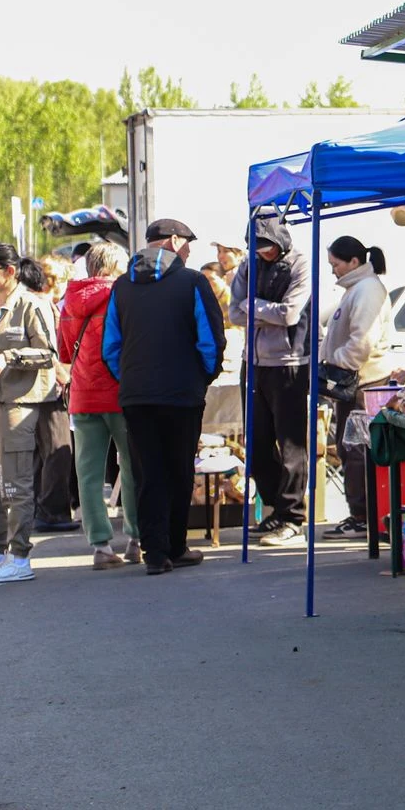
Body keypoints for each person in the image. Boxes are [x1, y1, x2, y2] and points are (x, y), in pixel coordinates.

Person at [103, 219, 225, 575]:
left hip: (137, 395)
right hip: (182, 393)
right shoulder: (193, 282)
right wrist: (202, 377)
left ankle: (155, 552)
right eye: (187, 243)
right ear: (173, 241)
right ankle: (175, 546)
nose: (188, 251)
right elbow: (211, 339)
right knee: (178, 470)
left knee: (147, 473)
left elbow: (110, 346)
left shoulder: (122, 286)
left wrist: (131, 379)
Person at [230, 214, 312, 547]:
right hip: (253, 363)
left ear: (281, 241)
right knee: (256, 444)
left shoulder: (300, 264)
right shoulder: (248, 266)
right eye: (258, 247)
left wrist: (253, 306)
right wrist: (266, 311)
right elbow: (233, 313)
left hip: (289, 364)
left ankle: (293, 517)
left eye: (268, 247)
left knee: (291, 445)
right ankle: (278, 510)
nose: (263, 253)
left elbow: (290, 313)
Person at [60, 242, 142, 568]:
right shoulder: (124, 295)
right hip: (120, 391)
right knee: (132, 466)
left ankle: (101, 547)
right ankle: (136, 538)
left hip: (83, 394)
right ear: (113, 268)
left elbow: (64, 351)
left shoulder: (71, 299)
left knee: (88, 473)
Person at [0, 244, 60, 583]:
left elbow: (48, 354)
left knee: (15, 483)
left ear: (9, 271)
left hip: (15, 403)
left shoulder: (31, 304)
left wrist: (8, 357)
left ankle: (19, 557)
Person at [318, 236, 397, 541]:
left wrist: (336, 364)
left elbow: (361, 341)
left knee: (356, 450)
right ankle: (360, 513)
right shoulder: (358, 289)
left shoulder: (367, 290)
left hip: (363, 382)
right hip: (356, 380)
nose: (333, 270)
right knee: (349, 448)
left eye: (335, 264)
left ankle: (363, 516)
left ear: (353, 262)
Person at [17, 258, 79, 533]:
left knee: (41, 453)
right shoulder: (41, 304)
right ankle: (52, 512)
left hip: (33, 387)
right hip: (48, 387)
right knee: (58, 449)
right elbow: (47, 349)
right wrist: (65, 377)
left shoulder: (26, 303)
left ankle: (38, 509)